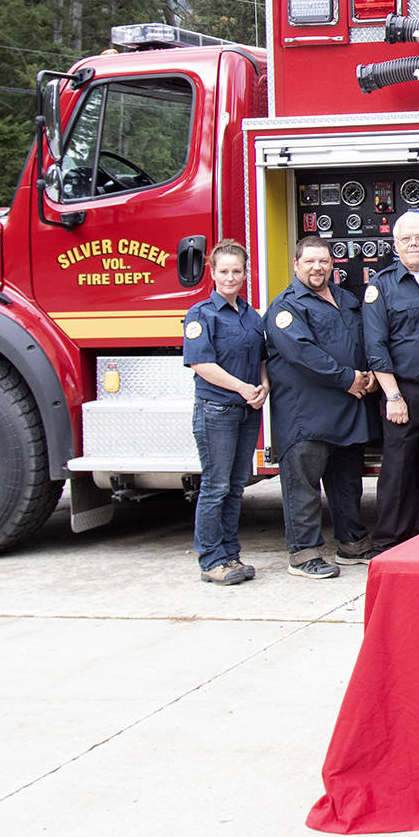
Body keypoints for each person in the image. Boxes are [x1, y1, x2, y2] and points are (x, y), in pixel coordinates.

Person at [265, 234, 377, 578]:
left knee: (347, 483)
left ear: (333, 264)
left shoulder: (347, 300)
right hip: (306, 415)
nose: (318, 267)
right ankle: (303, 554)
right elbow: (303, 352)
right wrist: (349, 379)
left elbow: (362, 341)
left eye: (324, 261)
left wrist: (371, 374)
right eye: (310, 261)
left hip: (345, 412)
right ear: (296, 265)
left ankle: (352, 544)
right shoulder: (285, 307)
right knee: (304, 487)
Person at [362, 211, 419, 553]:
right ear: (395, 245)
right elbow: (376, 345)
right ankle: (387, 542)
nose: (413, 244)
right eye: (405, 239)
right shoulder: (381, 286)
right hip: (403, 392)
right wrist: (393, 396)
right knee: (397, 472)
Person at [181, 239, 268, 585]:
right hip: (216, 410)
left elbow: (262, 357)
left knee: (235, 486)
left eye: (237, 271)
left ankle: (230, 554)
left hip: (247, 411)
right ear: (212, 274)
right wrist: (243, 388)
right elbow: (202, 364)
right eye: (224, 271)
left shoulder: (250, 314)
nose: (231, 277)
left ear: (245, 274)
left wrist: (263, 386)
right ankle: (211, 560)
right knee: (215, 486)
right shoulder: (201, 314)